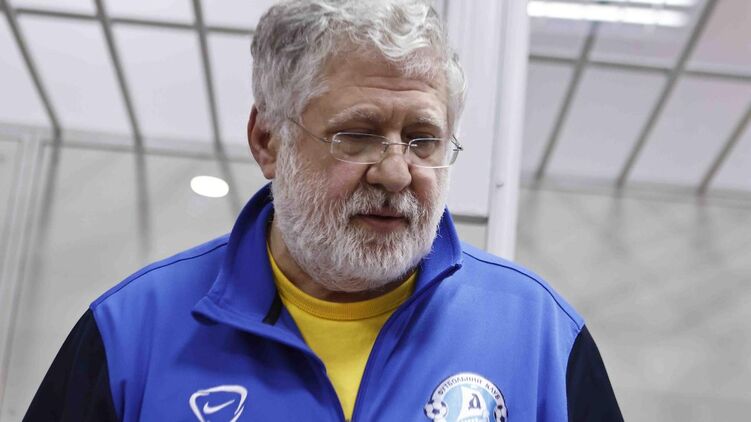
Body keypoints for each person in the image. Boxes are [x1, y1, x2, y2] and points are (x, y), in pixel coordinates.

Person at [25, 1, 622, 421]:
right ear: (267, 141)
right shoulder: (132, 333)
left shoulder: (541, 338)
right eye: (357, 136)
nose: (396, 173)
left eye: (423, 140)